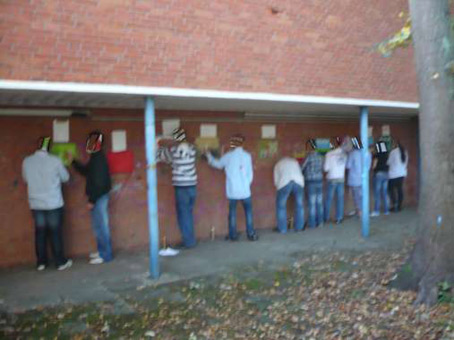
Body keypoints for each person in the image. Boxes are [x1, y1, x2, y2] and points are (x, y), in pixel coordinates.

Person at [22, 137, 72, 271]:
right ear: (49, 147)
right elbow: (66, 178)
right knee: (55, 233)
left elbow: (26, 179)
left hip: (36, 203)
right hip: (53, 203)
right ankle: (60, 262)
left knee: (40, 233)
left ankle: (41, 263)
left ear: (37, 146)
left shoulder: (27, 161)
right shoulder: (55, 160)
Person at [68, 131, 112, 264]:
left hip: (98, 198)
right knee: (99, 226)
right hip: (99, 197)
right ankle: (102, 251)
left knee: (101, 227)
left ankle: (105, 255)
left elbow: (98, 182)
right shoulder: (96, 157)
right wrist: (74, 161)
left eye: (91, 141)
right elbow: (87, 172)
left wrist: (92, 200)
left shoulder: (98, 158)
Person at [206, 134, 258, 241]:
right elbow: (250, 173)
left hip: (232, 190)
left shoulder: (228, 156)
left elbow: (217, 164)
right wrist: (247, 184)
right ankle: (251, 234)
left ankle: (233, 236)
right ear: (242, 143)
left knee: (232, 214)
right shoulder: (247, 156)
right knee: (248, 213)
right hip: (245, 190)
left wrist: (209, 156)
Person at [157, 127, 197, 248]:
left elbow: (162, 156)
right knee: (188, 214)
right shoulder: (192, 149)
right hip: (192, 186)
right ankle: (189, 239)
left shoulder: (174, 151)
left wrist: (160, 143)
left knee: (183, 215)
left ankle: (189, 242)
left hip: (181, 187)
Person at [273, 157, 305, 233]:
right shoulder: (294, 162)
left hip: (285, 182)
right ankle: (299, 227)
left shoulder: (278, 164)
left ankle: (282, 229)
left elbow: (276, 181)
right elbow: (300, 173)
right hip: (298, 182)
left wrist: (280, 189)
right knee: (299, 205)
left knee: (281, 206)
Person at [323, 138, 350, 224]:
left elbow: (325, 168)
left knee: (329, 199)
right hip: (341, 178)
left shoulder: (329, 154)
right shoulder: (345, 155)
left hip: (331, 178)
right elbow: (346, 167)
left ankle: (326, 218)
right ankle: (339, 218)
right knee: (340, 199)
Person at [345, 137, 371, 217]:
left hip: (354, 179)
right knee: (363, 196)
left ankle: (360, 212)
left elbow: (348, 166)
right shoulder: (368, 153)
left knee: (356, 196)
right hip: (364, 179)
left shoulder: (352, 153)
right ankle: (364, 211)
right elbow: (369, 167)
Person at [301, 140, 324, 228]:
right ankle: (320, 222)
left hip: (310, 182)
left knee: (312, 203)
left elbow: (302, 168)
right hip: (320, 181)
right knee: (319, 202)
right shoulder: (321, 157)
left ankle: (312, 223)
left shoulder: (309, 157)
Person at [387, 140, 408, 212]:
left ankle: (394, 204)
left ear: (394, 145)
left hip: (393, 174)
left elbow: (388, 163)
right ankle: (399, 206)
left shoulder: (393, 152)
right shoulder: (404, 152)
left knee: (390, 189)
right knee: (400, 190)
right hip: (402, 174)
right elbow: (405, 163)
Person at [371, 141, 390, 217]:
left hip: (378, 174)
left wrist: (372, 168)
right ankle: (386, 210)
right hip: (386, 174)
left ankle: (376, 211)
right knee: (385, 193)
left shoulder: (377, 155)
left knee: (377, 193)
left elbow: (374, 166)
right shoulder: (387, 155)